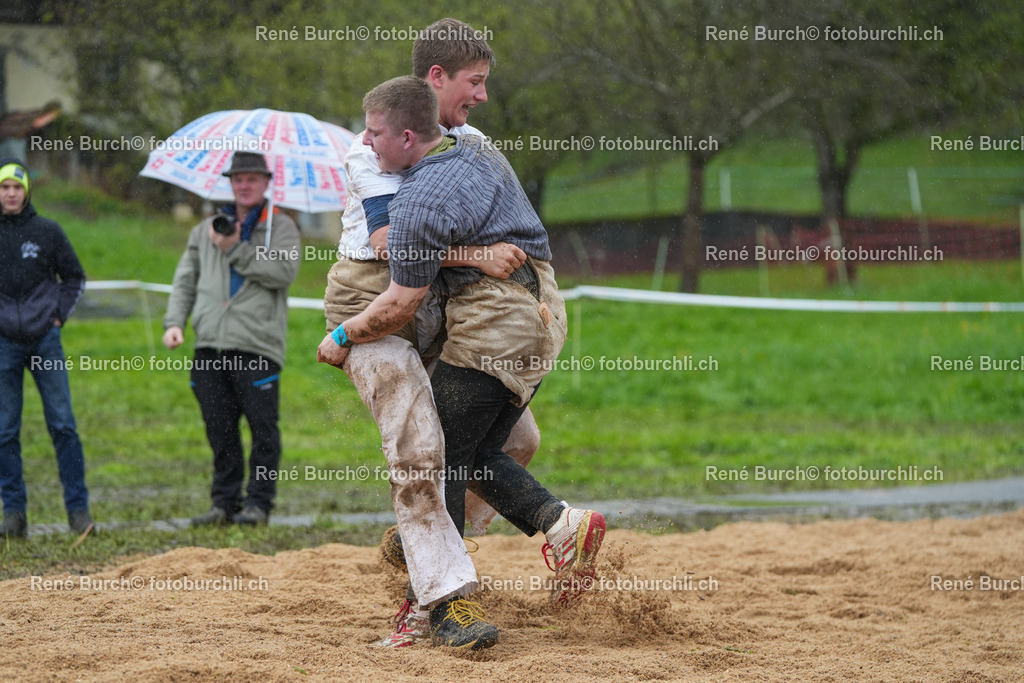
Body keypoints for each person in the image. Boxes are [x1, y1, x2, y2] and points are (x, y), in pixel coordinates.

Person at [318, 76, 606, 646]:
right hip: (375, 307)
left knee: (494, 445)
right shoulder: (377, 154)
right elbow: (386, 249)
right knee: (426, 452)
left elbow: (417, 276)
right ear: (435, 84)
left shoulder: (466, 144)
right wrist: (347, 333)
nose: (481, 96)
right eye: (473, 82)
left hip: (436, 309)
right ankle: (440, 600)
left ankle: (433, 547)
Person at [163, 152, 299, 526]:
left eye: (252, 179)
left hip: (258, 346)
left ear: (266, 182)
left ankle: (259, 504)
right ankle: (224, 503)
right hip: (209, 344)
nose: (244, 185)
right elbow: (185, 280)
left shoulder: (281, 227)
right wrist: (174, 322)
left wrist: (235, 249)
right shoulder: (206, 229)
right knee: (219, 430)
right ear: (230, 182)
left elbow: (283, 273)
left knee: (263, 431)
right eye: (238, 179)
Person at [0, 157, 92, 538]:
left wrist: (58, 317)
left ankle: (79, 512)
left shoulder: (48, 232)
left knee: (63, 424)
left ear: (27, 191)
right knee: (5, 430)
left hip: (45, 341)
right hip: (4, 343)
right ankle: (14, 515)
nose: (10, 194)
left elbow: (74, 276)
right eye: (4, 187)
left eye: (16, 187)